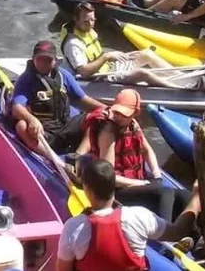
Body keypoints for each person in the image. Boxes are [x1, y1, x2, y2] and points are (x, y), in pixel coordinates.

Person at [57, 158, 200, 271]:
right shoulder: (139, 216)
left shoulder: (73, 228)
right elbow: (177, 232)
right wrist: (196, 198)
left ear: (86, 189)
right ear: (114, 185)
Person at [80, 91, 193, 221]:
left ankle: (194, 234)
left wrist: (157, 175)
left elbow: (148, 151)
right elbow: (108, 177)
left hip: (136, 184)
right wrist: (140, 183)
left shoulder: (133, 125)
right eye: (116, 112)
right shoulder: (108, 132)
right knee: (165, 192)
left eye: (124, 114)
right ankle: (165, 236)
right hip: (117, 191)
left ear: (135, 113)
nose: (118, 117)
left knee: (185, 196)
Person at [11, 40, 103, 163]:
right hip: (44, 129)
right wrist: (32, 119)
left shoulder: (64, 75)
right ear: (33, 59)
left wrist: (108, 110)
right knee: (21, 126)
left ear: (55, 60)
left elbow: (83, 99)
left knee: (97, 118)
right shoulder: (26, 80)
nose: (43, 63)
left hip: (65, 124)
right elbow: (17, 107)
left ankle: (78, 155)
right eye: (40, 59)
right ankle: (52, 159)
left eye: (48, 60)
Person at [63, 2, 177, 87]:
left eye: (92, 20)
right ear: (75, 19)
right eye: (86, 21)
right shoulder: (73, 43)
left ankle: (182, 76)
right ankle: (177, 88)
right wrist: (107, 56)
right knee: (142, 73)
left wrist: (114, 57)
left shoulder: (87, 31)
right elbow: (84, 72)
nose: (90, 24)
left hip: (109, 67)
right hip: (101, 77)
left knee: (147, 54)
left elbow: (96, 56)